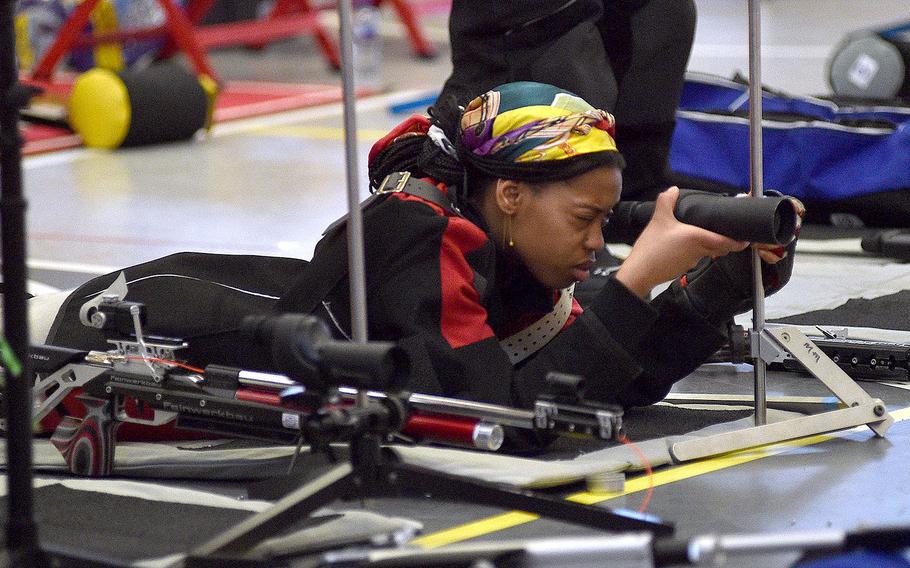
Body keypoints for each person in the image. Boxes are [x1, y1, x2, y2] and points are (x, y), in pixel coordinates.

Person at [43, 81, 800, 419]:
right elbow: (499, 417)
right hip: (115, 329)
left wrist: (715, 290)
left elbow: (596, 385)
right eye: (586, 218)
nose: (599, 242)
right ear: (510, 196)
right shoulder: (419, 231)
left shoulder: (499, 245)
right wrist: (635, 281)